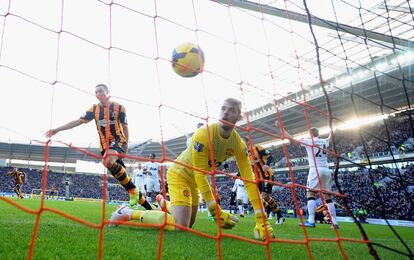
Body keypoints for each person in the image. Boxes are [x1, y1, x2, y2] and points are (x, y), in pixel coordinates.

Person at [109, 98, 274, 240]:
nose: (225, 113)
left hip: (195, 182)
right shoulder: (204, 134)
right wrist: (214, 210)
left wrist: (261, 219)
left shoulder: (238, 144)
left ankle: (163, 203)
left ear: (239, 117)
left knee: (190, 224)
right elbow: (200, 174)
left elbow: (249, 180)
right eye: (223, 109)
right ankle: (128, 213)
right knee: (181, 226)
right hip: (180, 175)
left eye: (231, 111)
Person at [45, 84, 151, 210]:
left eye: (100, 91)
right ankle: (149, 207)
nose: (98, 93)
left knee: (107, 161)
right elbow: (78, 121)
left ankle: (134, 192)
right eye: (96, 92)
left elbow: (125, 127)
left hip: (118, 141)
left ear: (108, 92)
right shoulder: (94, 109)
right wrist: (57, 129)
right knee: (124, 180)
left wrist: (126, 145)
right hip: (104, 147)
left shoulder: (119, 107)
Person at [277, 122, 338, 229]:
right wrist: (333, 128)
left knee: (311, 194)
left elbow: (291, 139)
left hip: (315, 169)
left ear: (310, 133)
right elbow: (330, 138)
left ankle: (310, 220)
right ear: (318, 133)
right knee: (328, 197)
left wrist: (281, 127)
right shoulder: (324, 141)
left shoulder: (308, 140)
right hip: (326, 170)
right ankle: (335, 222)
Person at [242, 136, 285, 225]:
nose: (241, 143)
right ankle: (269, 210)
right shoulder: (244, 154)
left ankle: (279, 215)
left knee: (265, 196)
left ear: (248, 142)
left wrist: (267, 165)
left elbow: (270, 156)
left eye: (243, 141)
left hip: (267, 175)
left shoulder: (257, 148)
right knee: (256, 197)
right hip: (258, 179)